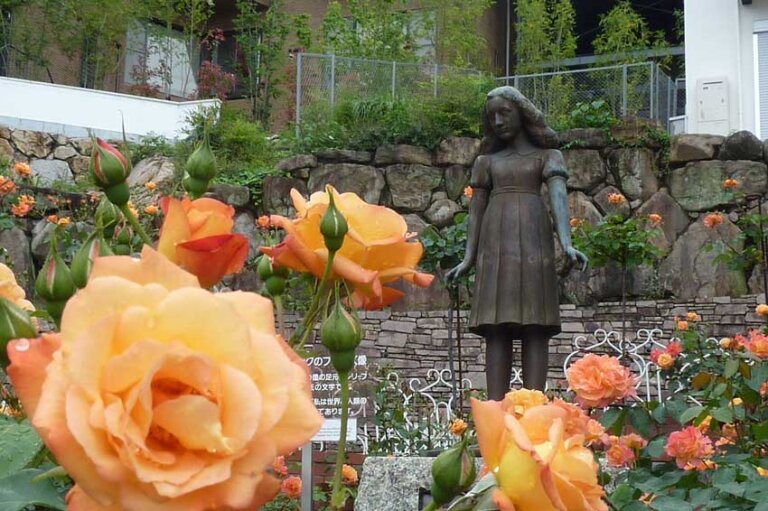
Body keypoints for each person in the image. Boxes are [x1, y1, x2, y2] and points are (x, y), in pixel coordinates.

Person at [446, 86, 587, 399]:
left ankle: (534, 408)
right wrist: (468, 258)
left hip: (535, 240)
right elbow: (475, 212)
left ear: (522, 114)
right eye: (492, 116)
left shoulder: (548, 156)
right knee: (496, 326)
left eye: (505, 113)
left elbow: (558, 198)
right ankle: (495, 410)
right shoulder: (486, 162)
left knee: (536, 324)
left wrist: (567, 243)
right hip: (495, 244)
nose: (498, 121)